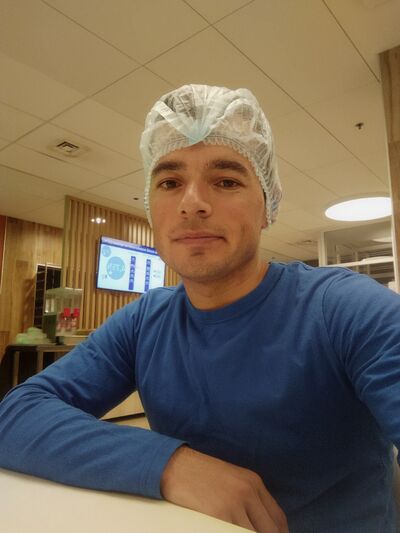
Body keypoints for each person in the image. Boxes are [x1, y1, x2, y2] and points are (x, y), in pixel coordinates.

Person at [0, 84, 400, 533]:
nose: (192, 203)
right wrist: (170, 464)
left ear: (267, 205)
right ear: (151, 208)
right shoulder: (145, 321)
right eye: (170, 183)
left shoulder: (346, 309)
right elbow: (15, 415)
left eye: (226, 181)